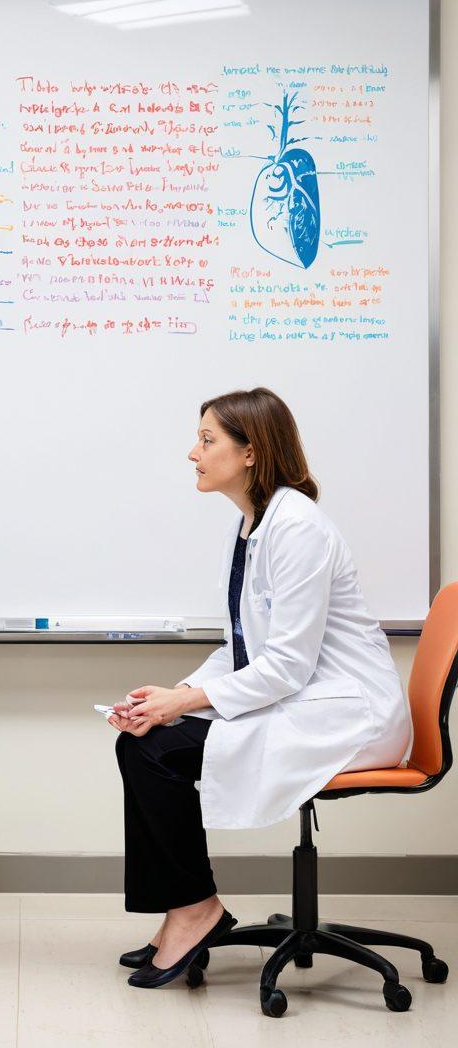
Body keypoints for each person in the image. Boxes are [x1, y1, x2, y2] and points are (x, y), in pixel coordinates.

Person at [109, 387, 411, 989]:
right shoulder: (250, 527)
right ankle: (184, 911)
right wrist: (172, 696)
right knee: (144, 738)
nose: (191, 452)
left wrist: (183, 705)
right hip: (303, 701)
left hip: (351, 716)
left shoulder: (297, 528)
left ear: (251, 452)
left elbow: (287, 668)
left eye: (207, 440)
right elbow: (241, 649)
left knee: (152, 749)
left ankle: (196, 910)